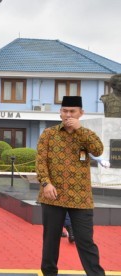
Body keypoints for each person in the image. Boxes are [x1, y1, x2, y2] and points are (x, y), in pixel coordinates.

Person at [36, 96, 105, 276]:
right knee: (50, 241)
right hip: (52, 195)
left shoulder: (86, 134)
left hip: (80, 197)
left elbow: (98, 149)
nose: (68, 115)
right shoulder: (48, 134)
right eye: (65, 111)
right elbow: (41, 162)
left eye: (72, 111)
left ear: (81, 113)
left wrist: (79, 129)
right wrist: (46, 183)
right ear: (60, 113)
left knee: (85, 241)